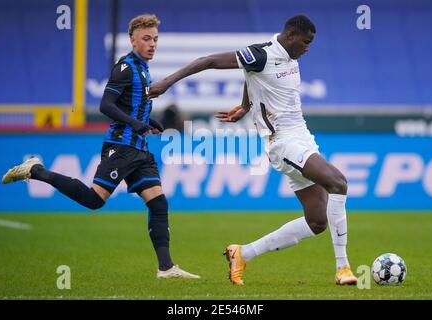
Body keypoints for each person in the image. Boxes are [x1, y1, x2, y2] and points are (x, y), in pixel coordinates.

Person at [148, 15, 357, 286]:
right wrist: (167, 82)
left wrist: (245, 105)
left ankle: (242, 253)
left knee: (317, 222)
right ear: (292, 35)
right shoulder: (262, 54)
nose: (307, 48)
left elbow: (252, 75)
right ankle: (343, 269)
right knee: (338, 182)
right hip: (283, 142)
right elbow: (208, 61)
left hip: (303, 139)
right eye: (306, 42)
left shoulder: (285, 57)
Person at [2, 14, 199, 280]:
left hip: (139, 149)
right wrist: (136, 124)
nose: (152, 44)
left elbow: (131, 105)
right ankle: (36, 170)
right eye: (146, 39)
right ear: (132, 40)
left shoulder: (143, 68)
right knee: (94, 200)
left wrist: (147, 121)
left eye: (155, 39)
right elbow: (105, 105)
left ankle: (166, 268)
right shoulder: (126, 68)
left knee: (158, 203)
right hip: (122, 148)